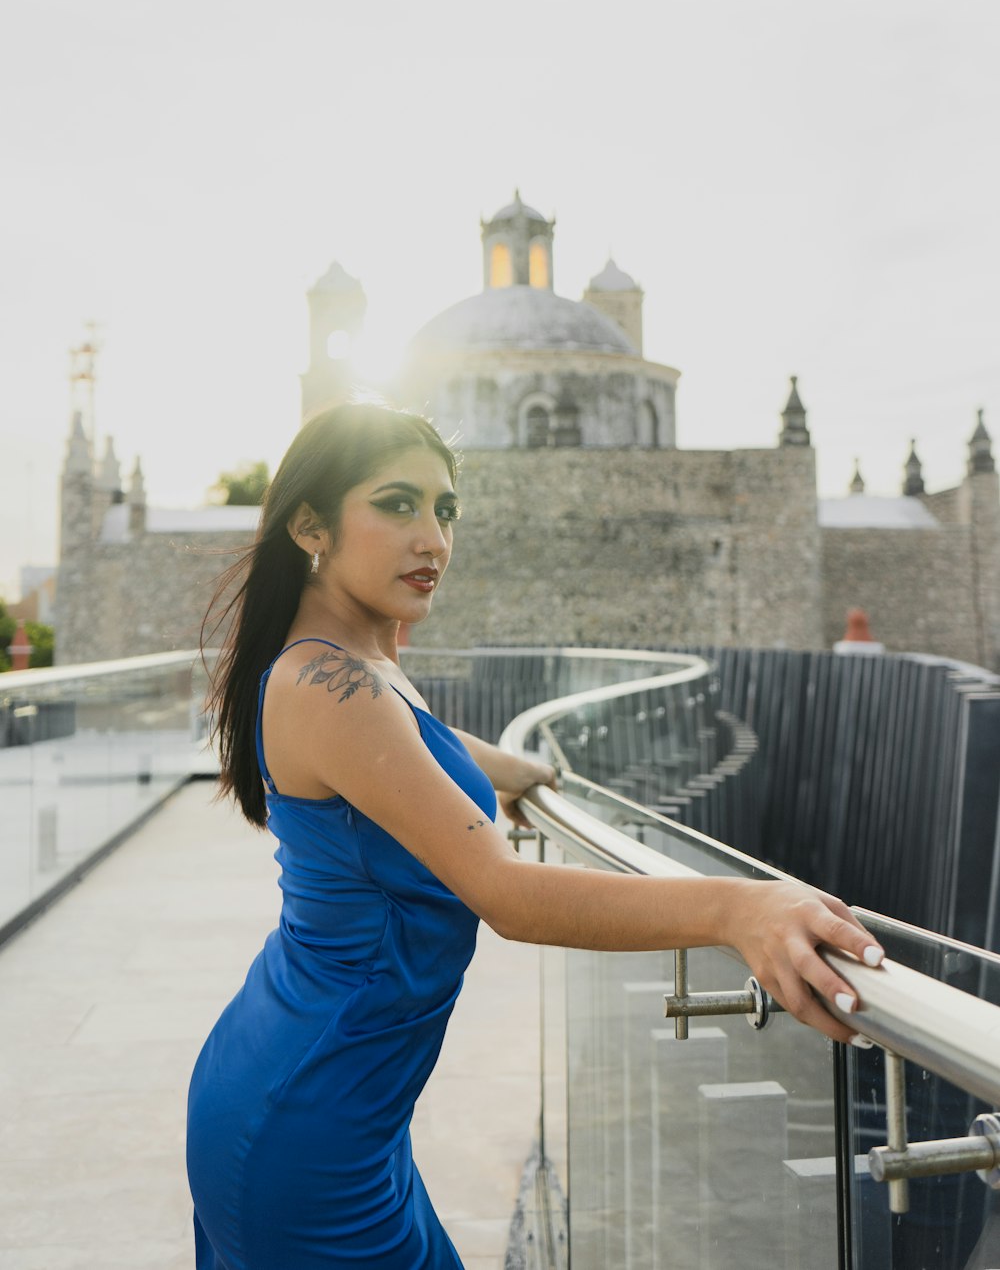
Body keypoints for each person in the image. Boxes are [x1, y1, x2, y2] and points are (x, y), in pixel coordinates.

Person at [187, 401, 883, 1269]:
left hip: (322, 1090)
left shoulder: (348, 659)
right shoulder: (328, 681)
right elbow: (509, 896)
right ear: (309, 524)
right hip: (305, 1119)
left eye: (445, 510)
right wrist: (741, 909)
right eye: (398, 504)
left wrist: (500, 770)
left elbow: (404, 746)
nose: (432, 538)